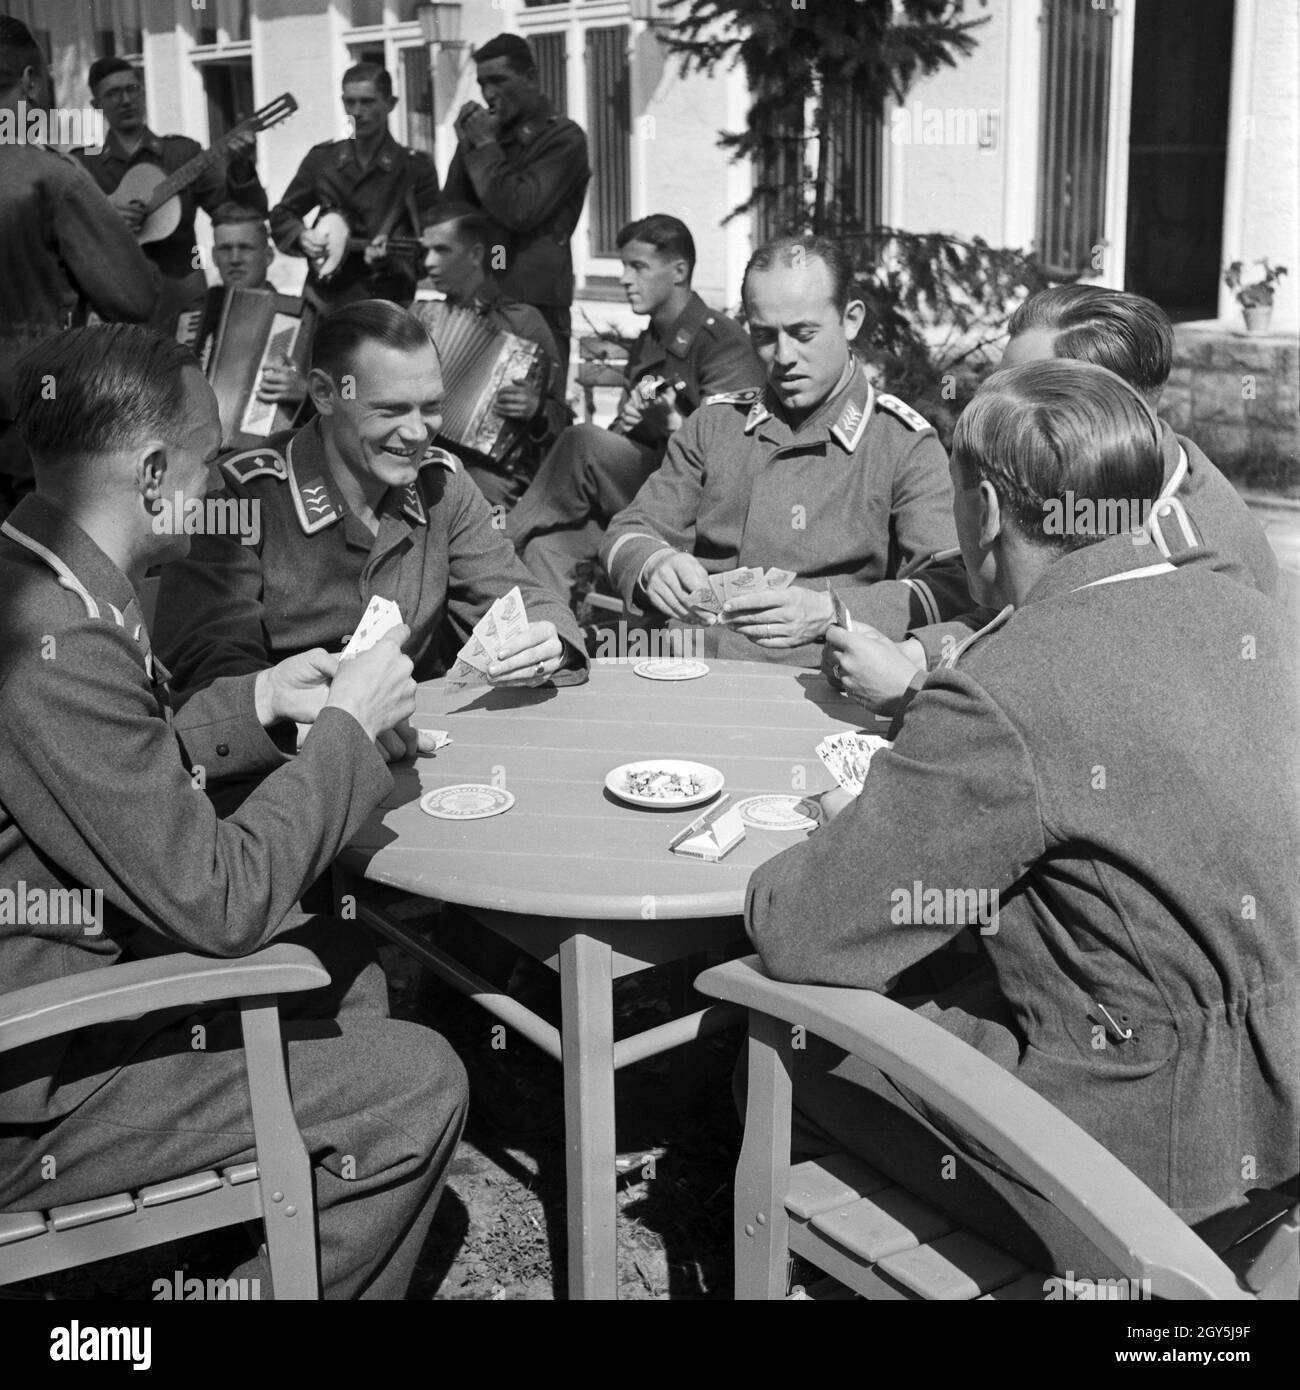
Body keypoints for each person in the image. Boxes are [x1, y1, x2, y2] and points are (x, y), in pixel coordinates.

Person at [746, 359, 1300, 1277]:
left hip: (1143, 1169)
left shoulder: (1008, 679)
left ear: (990, 512)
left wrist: (840, 831)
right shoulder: (1256, 616)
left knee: (785, 1054)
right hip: (1279, 1102)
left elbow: (806, 934)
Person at [0, 324, 468, 1299]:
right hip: (39, 1085)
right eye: (211, 462)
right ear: (159, 472)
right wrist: (345, 728)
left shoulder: (35, 579)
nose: (218, 490)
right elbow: (220, 903)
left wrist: (259, 703)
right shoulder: (57, 642)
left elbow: (110, 771)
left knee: (346, 970)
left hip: (50, 990)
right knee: (418, 1083)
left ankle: (237, 1247)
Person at [827, 284, 1282, 717]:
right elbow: (1016, 594)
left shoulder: (1195, 560)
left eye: (1025, 391)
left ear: (1104, 406)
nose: (996, 408)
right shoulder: (1100, 484)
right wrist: (915, 649)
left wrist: (914, 694)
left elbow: (1100, 723)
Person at [153, 299, 587, 702]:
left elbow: (523, 597)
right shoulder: (237, 495)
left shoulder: (442, 486)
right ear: (324, 393)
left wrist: (547, 641)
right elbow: (212, 672)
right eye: (391, 410)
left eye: (431, 406)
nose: (418, 432)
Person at [600, 234, 971, 665]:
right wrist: (652, 564)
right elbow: (628, 530)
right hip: (688, 673)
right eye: (765, 335)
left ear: (850, 320)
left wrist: (833, 611)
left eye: (803, 333)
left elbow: (950, 583)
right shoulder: (715, 425)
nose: (784, 356)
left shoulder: (901, 442)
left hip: (816, 686)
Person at [507, 213, 765, 603]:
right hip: (641, 495)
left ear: (679, 271)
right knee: (548, 547)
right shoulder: (652, 338)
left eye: (638, 266)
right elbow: (626, 431)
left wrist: (671, 425)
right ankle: (553, 649)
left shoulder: (722, 343)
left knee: (582, 443)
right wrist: (632, 422)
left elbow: (730, 460)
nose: (625, 279)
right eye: (623, 266)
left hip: (688, 501)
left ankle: (497, 544)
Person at [0, 19, 157, 519]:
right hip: (31, 410)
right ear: (29, 80)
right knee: (37, 570)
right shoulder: (51, 175)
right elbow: (134, 298)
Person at [74, 56, 266, 338]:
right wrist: (105, 217)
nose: (126, 100)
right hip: (114, 301)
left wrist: (241, 167)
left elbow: (236, 212)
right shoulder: (84, 165)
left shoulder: (182, 154)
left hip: (182, 297)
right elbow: (65, 233)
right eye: (113, 93)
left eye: (132, 89)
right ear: (96, 105)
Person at [441, 33, 590, 382]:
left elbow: (520, 210)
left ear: (532, 78)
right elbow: (450, 217)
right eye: (482, 84)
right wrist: (465, 151)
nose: (489, 94)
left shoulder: (563, 139)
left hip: (535, 305)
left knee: (534, 415)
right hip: (478, 302)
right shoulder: (484, 141)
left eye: (499, 81)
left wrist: (483, 146)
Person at [412, 202, 569, 511]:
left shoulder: (523, 321)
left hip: (490, 472)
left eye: (442, 250)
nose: (428, 263)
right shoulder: (421, 317)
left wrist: (536, 410)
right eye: (426, 251)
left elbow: (561, 419)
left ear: (475, 255)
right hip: (421, 454)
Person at [270, 63, 440, 313]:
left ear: (391, 104)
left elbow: (431, 240)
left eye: (367, 102)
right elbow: (282, 215)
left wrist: (391, 259)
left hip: (385, 302)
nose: (357, 112)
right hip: (324, 299)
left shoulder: (413, 168)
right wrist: (301, 236)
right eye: (350, 102)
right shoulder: (322, 161)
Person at [181, 202, 307, 411]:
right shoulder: (192, 314)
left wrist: (304, 391)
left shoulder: (299, 317)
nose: (235, 259)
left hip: (270, 439)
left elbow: (343, 393)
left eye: (245, 248)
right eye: (225, 249)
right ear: (213, 256)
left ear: (268, 256)